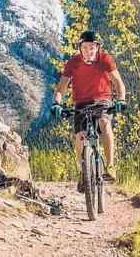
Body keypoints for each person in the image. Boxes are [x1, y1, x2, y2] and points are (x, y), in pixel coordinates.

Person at [51, 30, 126, 192]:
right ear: (80, 48)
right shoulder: (73, 62)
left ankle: (111, 166)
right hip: (81, 103)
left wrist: (121, 99)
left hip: (103, 100)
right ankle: (83, 173)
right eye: (85, 47)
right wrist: (57, 103)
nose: (89, 51)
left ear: (98, 48)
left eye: (92, 48)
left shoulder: (105, 59)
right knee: (80, 136)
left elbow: (118, 82)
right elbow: (61, 87)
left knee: (104, 122)